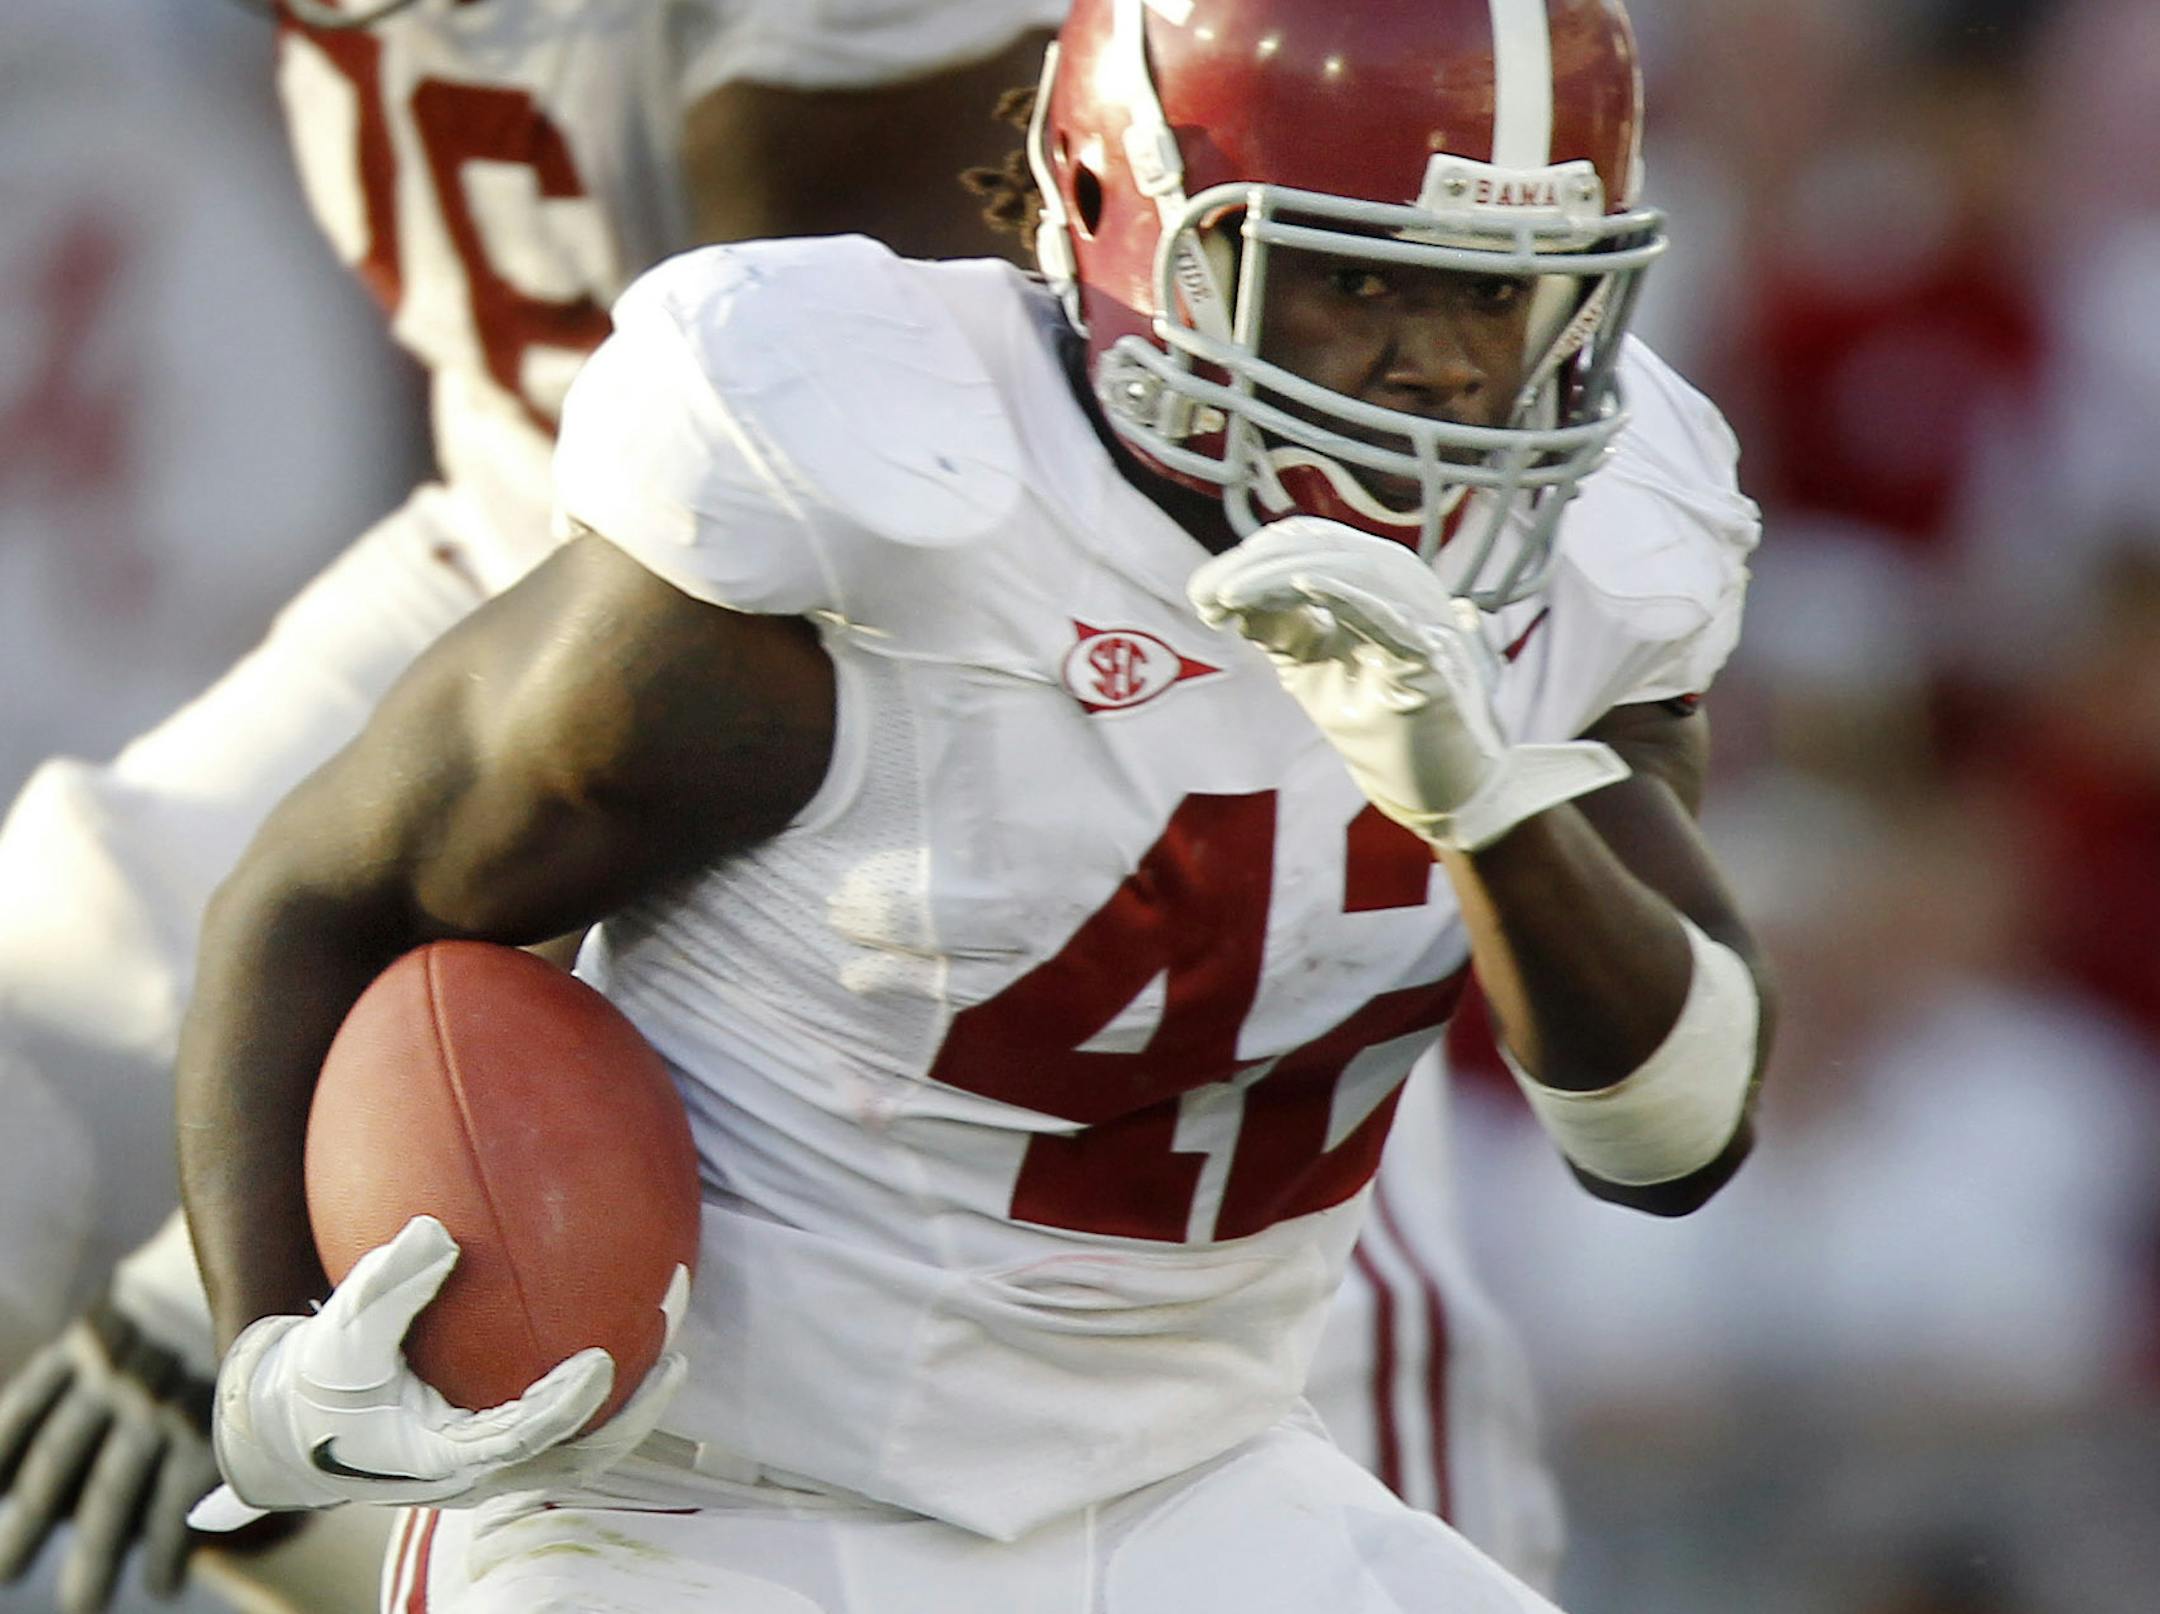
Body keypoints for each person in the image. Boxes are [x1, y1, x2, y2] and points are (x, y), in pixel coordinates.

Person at [171, 0, 1773, 1607]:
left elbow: (1671, 1137)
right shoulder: (881, 527)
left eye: (1500, 293)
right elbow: (329, 893)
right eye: (1358, 276)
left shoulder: (1598, 555)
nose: (1441, 365)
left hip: (1191, 1484)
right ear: (1123, 218)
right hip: (696, 1511)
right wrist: (261, 1357)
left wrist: (1486, 803)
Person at [0, 0, 1060, 1608]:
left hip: (857, 671)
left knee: (613, 1361)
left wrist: (226, 1259)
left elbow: (835, 529)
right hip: (509, 544)